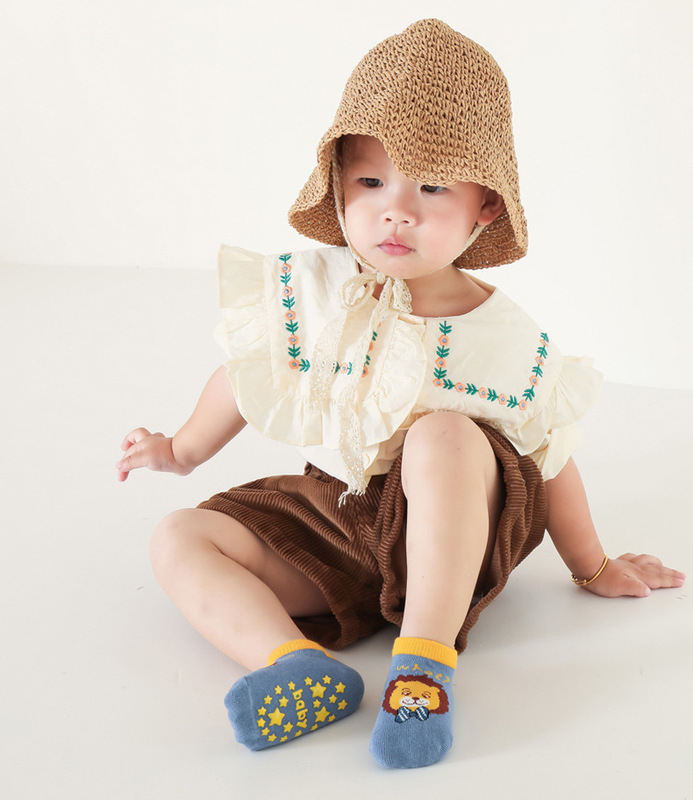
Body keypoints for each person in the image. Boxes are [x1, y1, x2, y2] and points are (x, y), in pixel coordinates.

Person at [116, 19, 685, 769]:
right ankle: (293, 665)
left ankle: (422, 665)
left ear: (485, 207)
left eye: (432, 187)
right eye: (371, 182)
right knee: (179, 537)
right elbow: (248, 374)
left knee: (441, 433)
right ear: (339, 186)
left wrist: (592, 564)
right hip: (343, 516)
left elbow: (552, 455)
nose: (396, 210)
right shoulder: (317, 291)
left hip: (458, 531)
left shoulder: (499, 334)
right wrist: (182, 449)